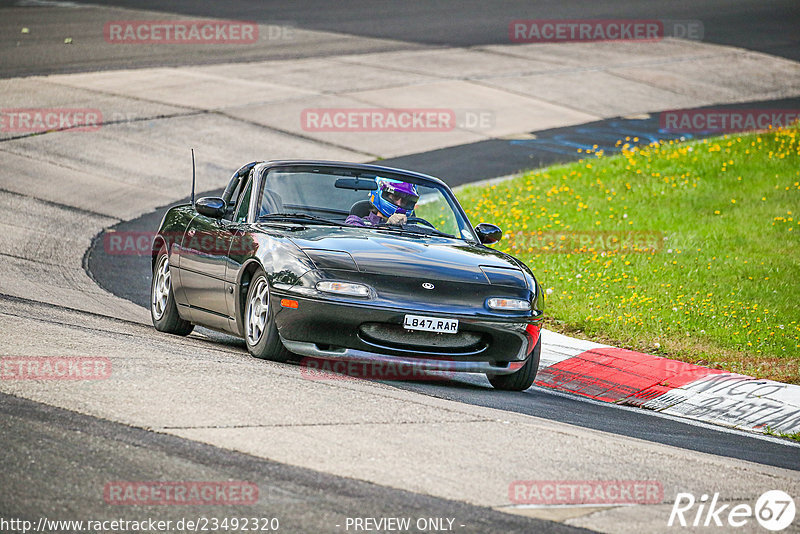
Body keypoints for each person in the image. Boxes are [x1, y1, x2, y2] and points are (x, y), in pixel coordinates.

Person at [346, 178, 419, 227]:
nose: (399, 203)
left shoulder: (411, 228)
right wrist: (387, 227)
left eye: (404, 200)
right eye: (395, 197)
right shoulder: (356, 221)